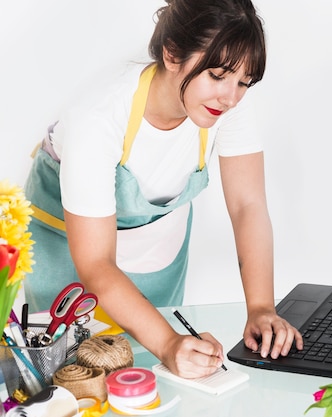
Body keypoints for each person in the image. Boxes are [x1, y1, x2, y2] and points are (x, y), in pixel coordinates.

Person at [23, 0, 303, 378]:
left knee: (149, 370)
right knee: (72, 372)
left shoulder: (229, 105)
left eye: (244, 82)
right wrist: (169, 344)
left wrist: (261, 308)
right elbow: (95, 264)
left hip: (156, 237)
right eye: (217, 75)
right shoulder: (98, 116)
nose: (231, 96)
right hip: (67, 241)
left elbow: (247, 206)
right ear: (172, 54)